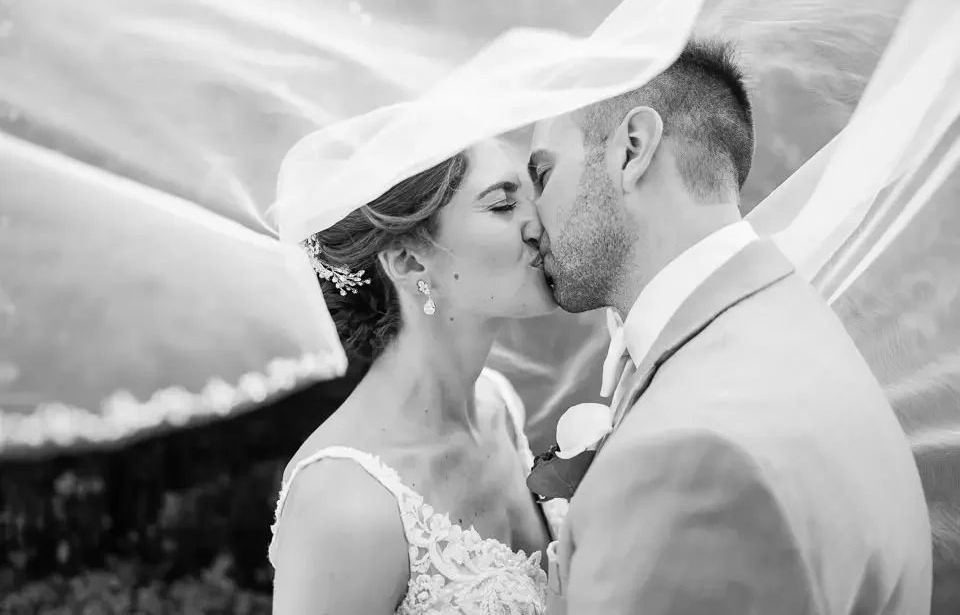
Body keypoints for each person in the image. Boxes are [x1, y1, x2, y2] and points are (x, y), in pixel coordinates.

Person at [533, 38, 933, 614]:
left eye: (543, 174)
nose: (532, 220)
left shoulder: (691, 456)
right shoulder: (792, 320)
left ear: (632, 150)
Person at [268, 138, 566, 614]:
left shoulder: (498, 405)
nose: (540, 223)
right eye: (503, 205)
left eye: (534, 193)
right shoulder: (342, 501)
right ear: (409, 262)